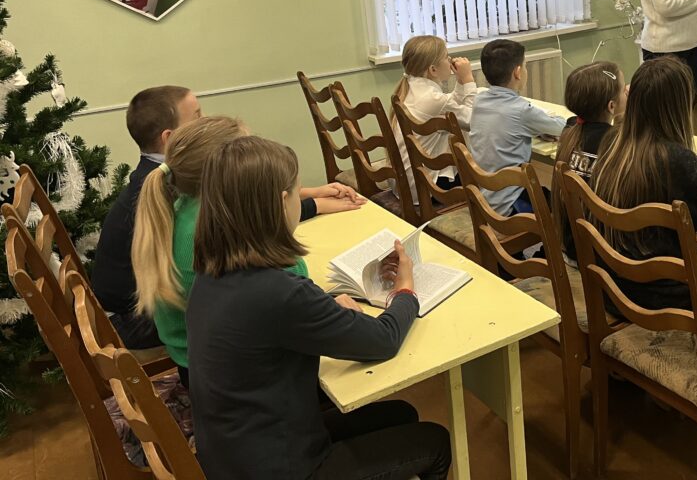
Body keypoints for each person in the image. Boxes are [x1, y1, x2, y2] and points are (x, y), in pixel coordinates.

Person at [187, 135, 451, 480]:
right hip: (284, 467)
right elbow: (383, 340)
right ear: (282, 202)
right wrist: (405, 290)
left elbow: (273, 320)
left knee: (400, 413)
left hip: (235, 450)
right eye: (298, 191)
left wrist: (326, 308)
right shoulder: (278, 292)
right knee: (435, 442)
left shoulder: (211, 271)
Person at [131, 116, 364, 386]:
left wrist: (311, 202)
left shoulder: (182, 208)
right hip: (237, 377)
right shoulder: (211, 233)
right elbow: (292, 285)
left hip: (199, 365)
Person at [589, 56, 697, 311]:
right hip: (664, 292)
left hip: (613, 286)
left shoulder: (612, 142)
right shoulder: (675, 160)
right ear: (681, 106)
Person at [91, 85, 201, 349]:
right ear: (170, 138)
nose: (205, 123)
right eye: (197, 117)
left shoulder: (153, 174)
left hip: (131, 307)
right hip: (131, 320)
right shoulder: (163, 188)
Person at [468, 39, 567, 215]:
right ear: (518, 72)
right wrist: (541, 126)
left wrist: (536, 130)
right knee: (566, 204)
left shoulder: (479, 101)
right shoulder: (521, 110)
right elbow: (562, 127)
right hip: (511, 204)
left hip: (484, 198)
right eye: (525, 66)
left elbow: (506, 125)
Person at [550, 61, 627, 261]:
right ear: (611, 106)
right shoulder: (617, 143)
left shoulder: (569, 131)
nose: (627, 92)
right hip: (601, 255)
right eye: (623, 90)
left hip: (571, 245)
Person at [391, 34, 476, 196]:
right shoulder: (433, 99)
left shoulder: (412, 85)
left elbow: (450, 105)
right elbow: (473, 120)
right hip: (427, 187)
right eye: (446, 56)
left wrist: (460, 81)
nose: (450, 60)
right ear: (433, 70)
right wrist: (468, 79)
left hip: (407, 183)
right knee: (486, 173)